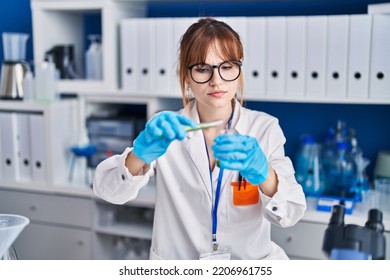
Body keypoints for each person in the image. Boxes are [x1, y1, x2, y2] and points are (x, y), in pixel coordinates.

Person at [93, 17, 306, 260]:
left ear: (239, 72)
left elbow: (290, 213)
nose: (216, 80)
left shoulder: (263, 128)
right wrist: (139, 155)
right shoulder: (166, 128)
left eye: (227, 67)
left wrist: (264, 173)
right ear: (186, 77)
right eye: (203, 69)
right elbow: (109, 192)